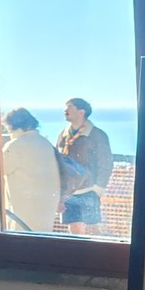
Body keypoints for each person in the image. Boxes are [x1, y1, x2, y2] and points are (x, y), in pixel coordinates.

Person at [56, 97, 113, 235]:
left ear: (81, 112)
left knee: (93, 231)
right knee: (74, 232)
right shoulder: (63, 135)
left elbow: (105, 163)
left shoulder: (97, 135)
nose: (65, 110)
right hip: (69, 193)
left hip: (89, 190)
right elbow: (58, 163)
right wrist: (61, 193)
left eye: (69, 107)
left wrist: (97, 190)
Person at [1, 108, 60, 233]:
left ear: (11, 125)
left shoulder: (16, 145)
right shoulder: (45, 143)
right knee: (42, 235)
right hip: (47, 202)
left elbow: (0, 169)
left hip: (23, 205)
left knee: (21, 235)